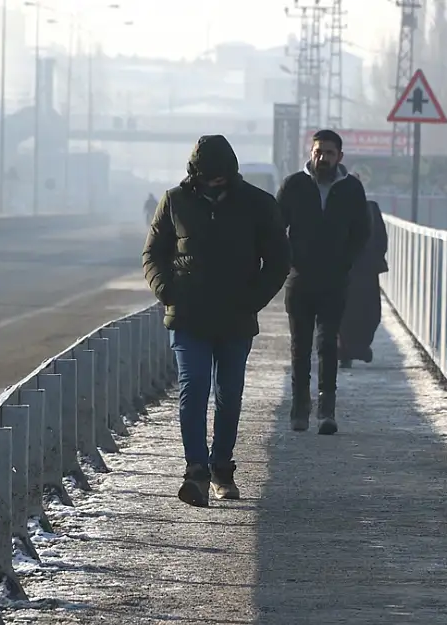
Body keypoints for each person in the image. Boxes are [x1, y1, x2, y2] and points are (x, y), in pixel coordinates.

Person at [141, 135, 290, 507]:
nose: (215, 183)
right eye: (209, 177)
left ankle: (222, 466)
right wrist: (165, 291)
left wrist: (253, 300)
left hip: (236, 318)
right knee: (193, 391)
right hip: (188, 317)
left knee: (229, 394)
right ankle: (196, 472)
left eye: (221, 177)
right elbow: (153, 253)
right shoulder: (175, 201)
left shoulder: (258, 204)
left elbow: (278, 261)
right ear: (195, 173)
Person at [276, 129, 370, 435]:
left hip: (334, 281)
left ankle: (326, 410)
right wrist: (290, 259)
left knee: (328, 344)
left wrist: (345, 262)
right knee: (299, 347)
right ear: (311, 152)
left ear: (339, 157)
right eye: (318, 152)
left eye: (329, 153)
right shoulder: (294, 185)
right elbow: (276, 227)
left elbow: (362, 231)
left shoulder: (351, 189)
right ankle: (299, 409)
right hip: (299, 280)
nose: (323, 158)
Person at [338, 197, 388, 368]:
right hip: (355, 269)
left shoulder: (332, 206)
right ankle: (353, 348)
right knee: (363, 310)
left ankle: (351, 348)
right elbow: (381, 239)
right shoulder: (370, 208)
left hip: (354, 269)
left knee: (359, 311)